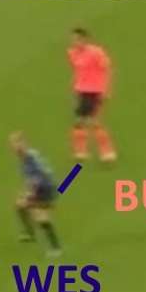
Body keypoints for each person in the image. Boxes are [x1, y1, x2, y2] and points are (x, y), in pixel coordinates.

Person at [66, 28, 117, 163]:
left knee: (94, 122)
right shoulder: (72, 53)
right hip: (81, 91)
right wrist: (75, 86)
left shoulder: (96, 52)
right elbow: (77, 71)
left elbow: (107, 69)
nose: (75, 42)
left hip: (95, 91)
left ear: (84, 39)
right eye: (73, 39)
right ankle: (81, 152)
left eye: (77, 39)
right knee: (79, 121)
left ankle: (107, 152)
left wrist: (106, 89)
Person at [11, 132, 62, 258]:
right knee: (20, 205)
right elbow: (31, 179)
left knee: (40, 217)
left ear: (24, 144)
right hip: (41, 188)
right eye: (13, 144)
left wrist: (29, 194)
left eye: (18, 144)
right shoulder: (25, 158)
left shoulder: (30, 159)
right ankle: (30, 233)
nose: (15, 147)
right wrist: (27, 192)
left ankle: (55, 248)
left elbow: (38, 178)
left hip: (45, 189)